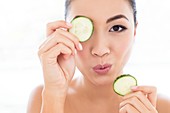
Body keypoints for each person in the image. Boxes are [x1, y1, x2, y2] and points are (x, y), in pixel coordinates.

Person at [27, 0, 170, 113]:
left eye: (117, 28)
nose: (100, 50)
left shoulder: (161, 107)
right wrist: (54, 94)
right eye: (83, 29)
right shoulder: (44, 98)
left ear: (135, 31)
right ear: (65, 32)